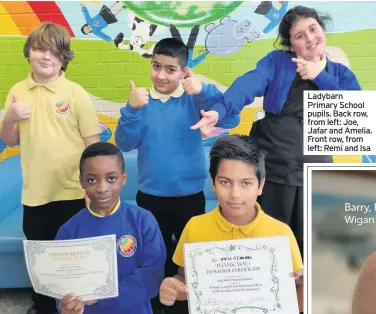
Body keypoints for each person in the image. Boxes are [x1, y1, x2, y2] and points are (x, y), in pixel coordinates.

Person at [192, 5, 362, 258]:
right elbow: (248, 83)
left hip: (315, 173)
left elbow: (354, 115)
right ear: (291, 45)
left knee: (310, 246)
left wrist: (320, 76)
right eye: (299, 36)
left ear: (322, 29)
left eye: (313, 29)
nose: (310, 38)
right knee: (270, 244)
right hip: (273, 169)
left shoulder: (341, 74)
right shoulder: (277, 62)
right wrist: (218, 110)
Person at [114, 37, 239, 314]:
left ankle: (187, 303)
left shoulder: (195, 98)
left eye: (170, 69)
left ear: (183, 72)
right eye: (156, 66)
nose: (160, 75)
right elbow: (123, 144)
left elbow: (231, 119)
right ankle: (157, 304)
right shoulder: (141, 101)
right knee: (154, 257)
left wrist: (204, 89)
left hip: (189, 197)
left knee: (189, 256)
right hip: (150, 197)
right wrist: (131, 109)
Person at [0, 22, 100, 314]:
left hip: (72, 191)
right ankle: (42, 305)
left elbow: (92, 145)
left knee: (75, 255)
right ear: (28, 52)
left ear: (63, 58)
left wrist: (92, 189)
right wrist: (10, 117)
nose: (45, 56)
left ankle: (78, 305)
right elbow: (9, 139)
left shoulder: (75, 92)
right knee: (40, 255)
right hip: (35, 194)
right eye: (39, 48)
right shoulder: (18, 91)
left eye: (54, 52)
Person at [159, 135, 304, 312]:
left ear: (260, 185)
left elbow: (295, 301)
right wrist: (174, 286)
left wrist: (306, 288)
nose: (235, 194)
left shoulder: (281, 233)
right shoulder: (195, 227)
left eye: (246, 183)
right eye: (225, 182)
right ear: (213, 183)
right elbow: (185, 280)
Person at [56, 142, 166, 314]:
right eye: (92, 180)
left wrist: (101, 298)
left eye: (111, 179)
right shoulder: (69, 231)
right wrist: (65, 306)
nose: (102, 188)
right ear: (82, 181)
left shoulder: (143, 220)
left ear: (123, 179)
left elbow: (152, 277)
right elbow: (62, 285)